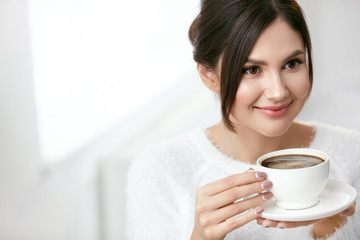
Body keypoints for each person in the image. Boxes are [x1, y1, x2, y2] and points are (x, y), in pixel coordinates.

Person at [126, 0, 359, 239]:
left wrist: (333, 229)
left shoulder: (353, 156)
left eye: (292, 64)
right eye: (252, 69)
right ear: (209, 75)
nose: (278, 92)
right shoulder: (160, 170)